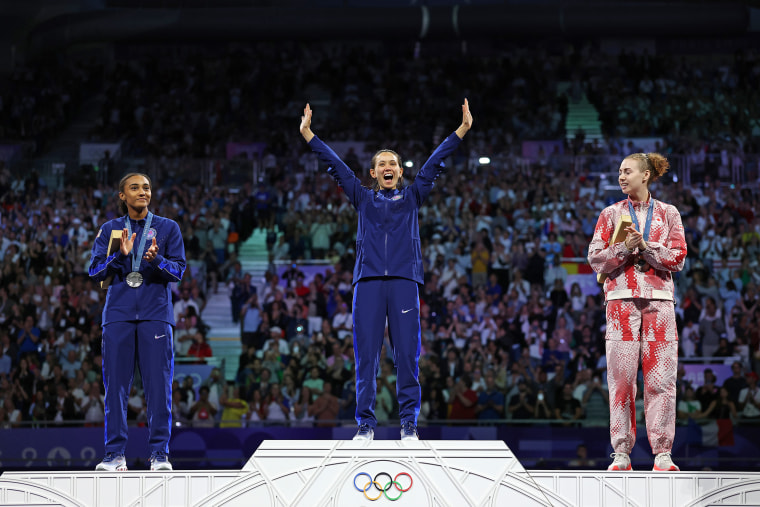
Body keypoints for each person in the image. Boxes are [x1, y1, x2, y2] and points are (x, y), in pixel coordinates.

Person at [299, 99, 472, 441]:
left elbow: (435, 164)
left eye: (393, 163)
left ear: (400, 172)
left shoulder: (412, 197)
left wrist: (462, 130)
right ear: (374, 173)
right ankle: (365, 425)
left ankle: (409, 425)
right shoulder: (362, 198)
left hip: (406, 282)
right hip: (368, 283)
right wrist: (308, 134)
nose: (389, 167)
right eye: (382, 164)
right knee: (366, 358)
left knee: (407, 356)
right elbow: (335, 166)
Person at [588, 153, 686, 472]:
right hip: (619, 302)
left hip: (659, 301)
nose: (621, 176)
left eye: (627, 171)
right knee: (622, 380)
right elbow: (595, 260)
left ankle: (662, 453)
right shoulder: (610, 214)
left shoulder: (669, 214)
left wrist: (646, 248)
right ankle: (622, 453)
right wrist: (625, 248)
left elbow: (678, 259)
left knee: (661, 379)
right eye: (619, 172)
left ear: (645, 175)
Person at [89, 172, 186, 471]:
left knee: (159, 387)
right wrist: (120, 257)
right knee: (115, 387)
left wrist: (155, 260)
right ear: (122, 196)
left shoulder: (168, 228)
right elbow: (95, 272)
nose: (142, 192)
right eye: (134, 188)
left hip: (155, 315)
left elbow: (178, 271)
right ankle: (115, 455)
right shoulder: (110, 230)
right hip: (117, 315)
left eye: (146, 187)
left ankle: (159, 455)